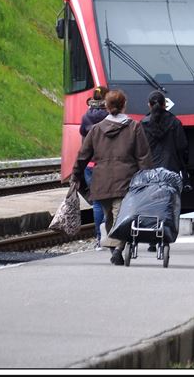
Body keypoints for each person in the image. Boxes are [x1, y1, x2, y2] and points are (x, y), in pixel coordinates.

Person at [75, 89, 153, 265]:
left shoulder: (96, 129)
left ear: (107, 107)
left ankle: (114, 248)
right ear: (124, 105)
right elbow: (143, 156)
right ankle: (117, 248)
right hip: (125, 180)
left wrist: (75, 176)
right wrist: (147, 179)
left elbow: (82, 155)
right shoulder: (134, 127)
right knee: (119, 216)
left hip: (101, 182)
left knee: (110, 216)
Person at [141, 90, 189, 252]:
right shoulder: (175, 123)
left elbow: (140, 150)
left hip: (149, 171)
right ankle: (164, 236)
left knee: (150, 203)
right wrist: (184, 169)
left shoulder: (143, 124)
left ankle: (152, 240)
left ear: (149, 105)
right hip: (170, 169)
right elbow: (182, 148)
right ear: (164, 104)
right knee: (168, 204)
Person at [79, 85, 109, 249]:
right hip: (104, 164)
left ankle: (99, 238)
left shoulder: (86, 117)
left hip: (89, 165)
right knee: (110, 201)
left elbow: (83, 136)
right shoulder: (108, 116)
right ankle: (108, 235)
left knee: (97, 203)